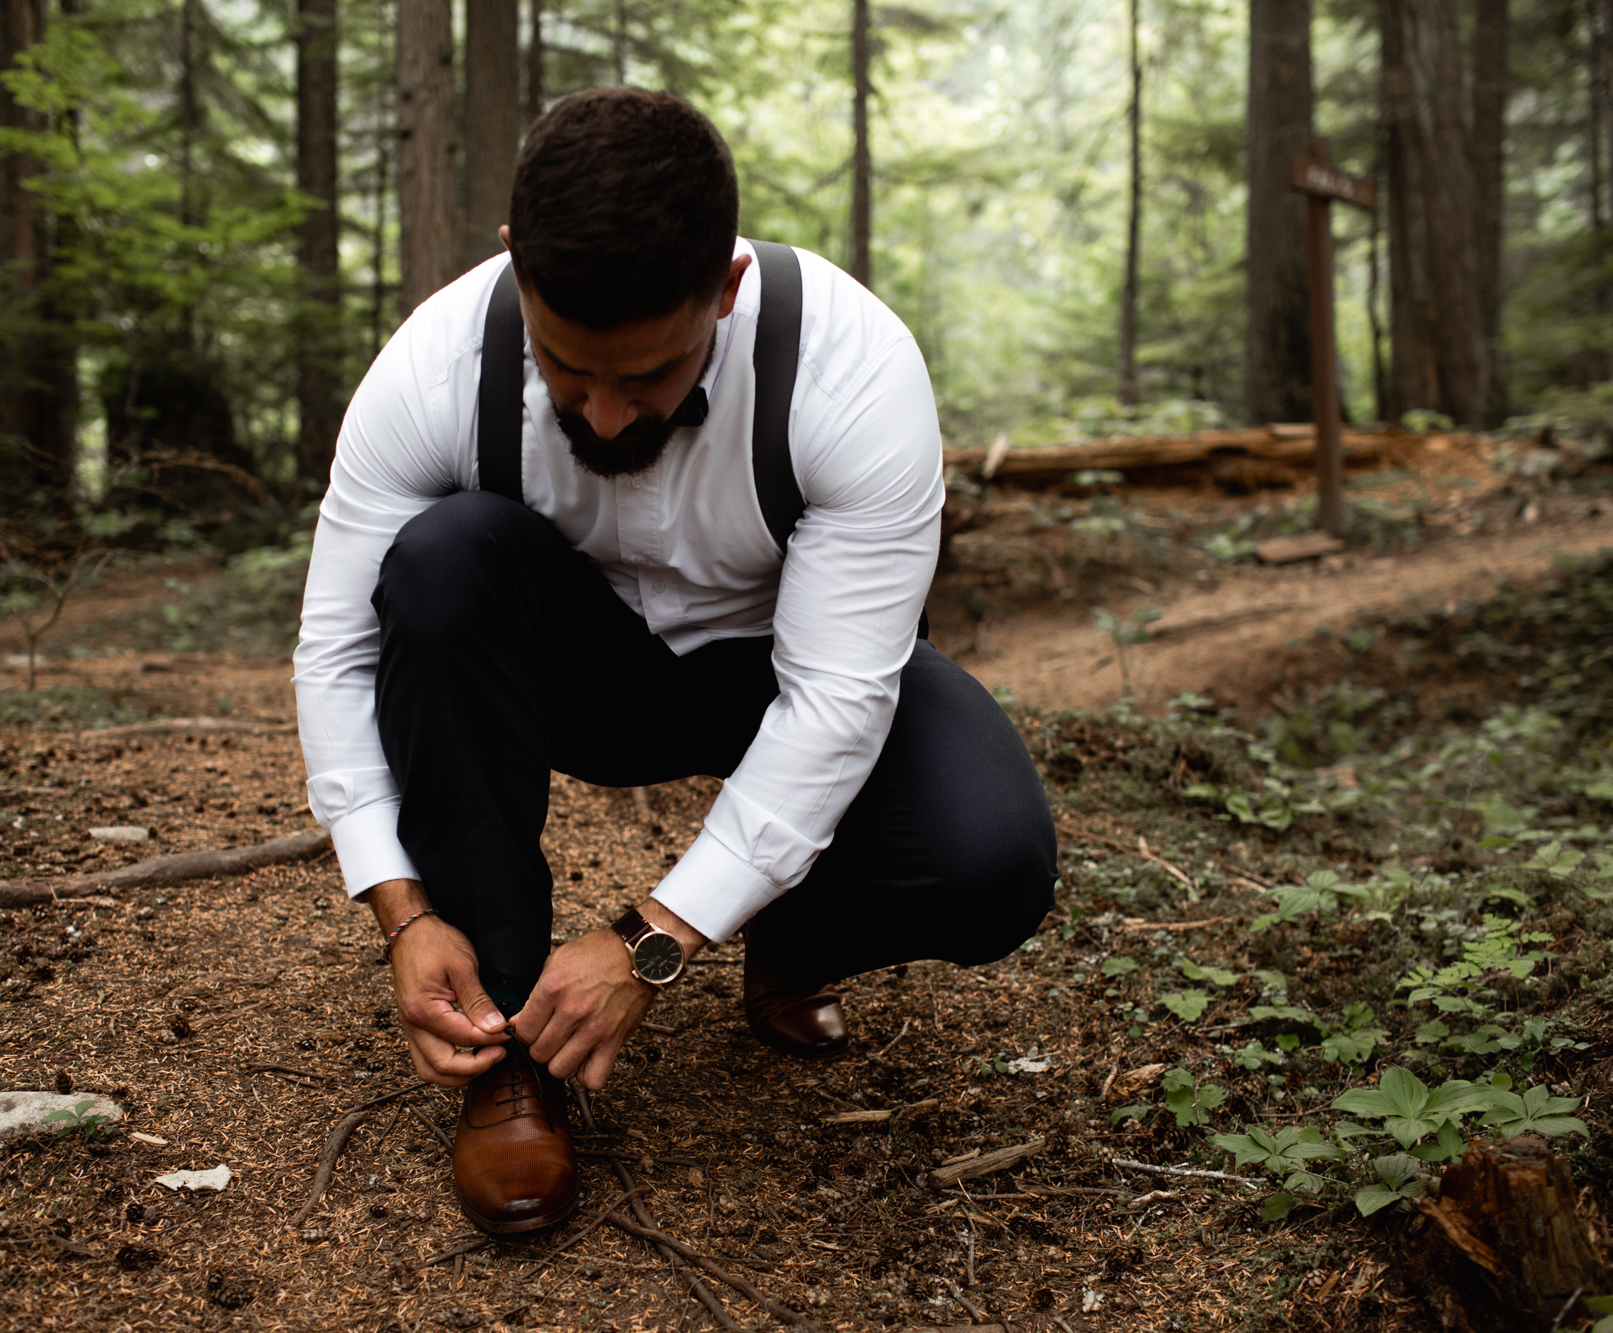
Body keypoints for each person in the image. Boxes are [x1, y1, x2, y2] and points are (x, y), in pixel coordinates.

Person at [294, 87, 1055, 1236]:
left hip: (777, 675)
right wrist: (401, 910)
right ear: (515, 263)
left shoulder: (848, 367)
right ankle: (505, 1041)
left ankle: (791, 934)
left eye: (646, 377)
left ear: (725, 290)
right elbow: (340, 649)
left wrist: (654, 940)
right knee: (442, 559)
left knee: (989, 860)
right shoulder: (435, 364)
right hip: (574, 672)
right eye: (564, 368)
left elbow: (836, 698)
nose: (602, 417)